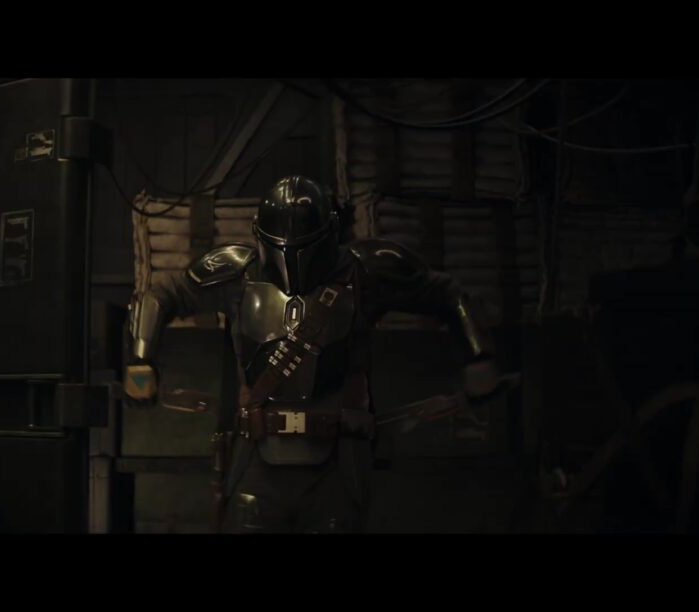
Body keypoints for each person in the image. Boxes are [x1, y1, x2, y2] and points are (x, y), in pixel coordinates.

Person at [124, 175, 503, 533]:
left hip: (338, 460)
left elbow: (448, 295)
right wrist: (141, 361)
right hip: (256, 454)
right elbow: (161, 297)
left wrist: (479, 354)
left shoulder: (365, 272)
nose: (293, 259)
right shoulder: (237, 274)